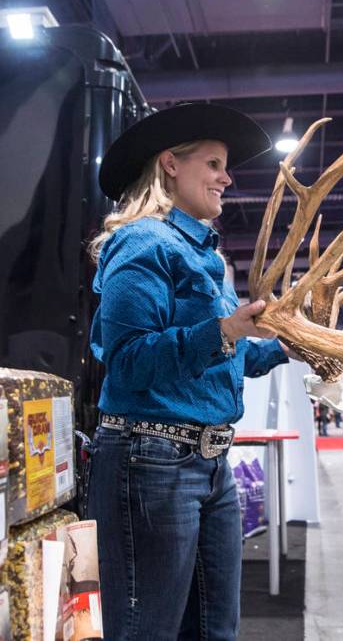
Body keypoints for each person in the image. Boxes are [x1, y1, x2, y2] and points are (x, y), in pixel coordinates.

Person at [86, 103, 291, 640]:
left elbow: (221, 364)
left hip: (206, 462)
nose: (227, 177)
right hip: (151, 461)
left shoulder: (204, 254)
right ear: (170, 165)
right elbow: (128, 360)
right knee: (145, 630)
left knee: (213, 630)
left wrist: (293, 344)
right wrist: (224, 331)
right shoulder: (144, 241)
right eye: (215, 163)